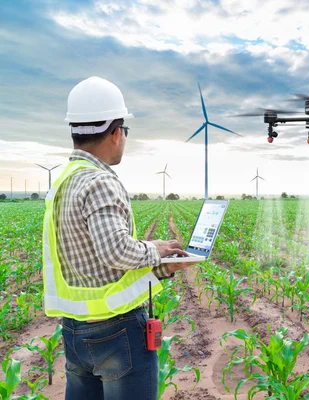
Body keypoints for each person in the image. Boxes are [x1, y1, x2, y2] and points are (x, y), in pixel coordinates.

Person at [42, 76, 197, 400]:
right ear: (115, 133)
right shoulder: (99, 181)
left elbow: (97, 268)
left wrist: (162, 268)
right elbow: (114, 252)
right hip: (115, 334)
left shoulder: (64, 182)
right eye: (124, 131)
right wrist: (154, 250)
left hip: (75, 331)